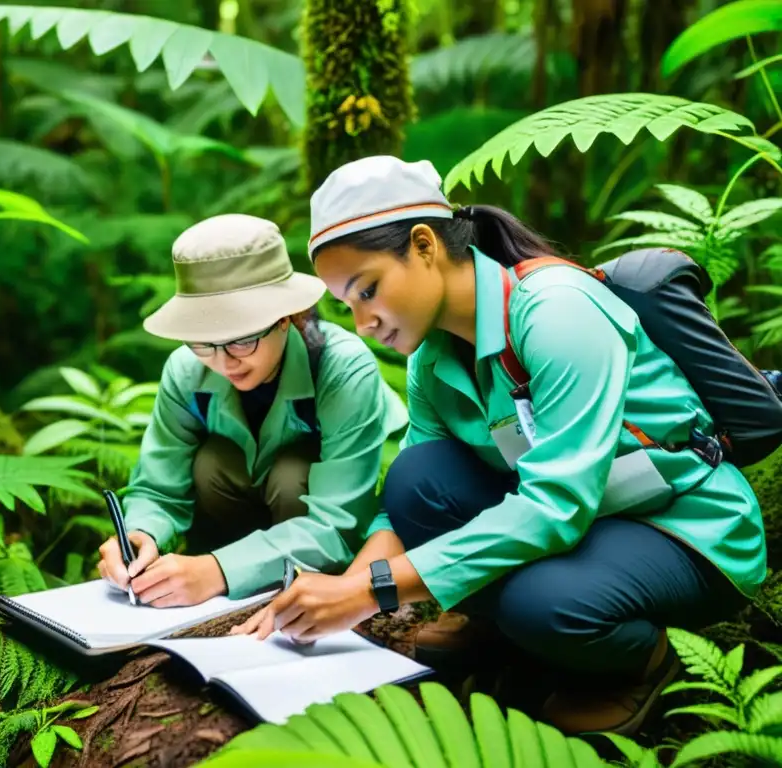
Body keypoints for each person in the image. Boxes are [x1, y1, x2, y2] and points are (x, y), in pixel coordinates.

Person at [231, 155, 767, 737]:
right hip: (589, 520)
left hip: (682, 526)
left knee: (543, 602)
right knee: (417, 479)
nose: (364, 322)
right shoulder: (431, 357)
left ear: (425, 244)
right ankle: (501, 628)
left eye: (369, 290)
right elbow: (409, 503)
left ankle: (640, 663)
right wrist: (345, 592)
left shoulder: (557, 311)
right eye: (347, 305)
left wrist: (371, 590)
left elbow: (554, 507)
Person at [98, 213, 407, 610]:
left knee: (292, 474)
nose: (225, 362)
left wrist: (218, 570)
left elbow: (339, 522)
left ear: (287, 319)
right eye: (203, 343)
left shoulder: (342, 368)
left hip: (325, 529)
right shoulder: (186, 369)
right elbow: (159, 488)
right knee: (211, 463)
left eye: (242, 341)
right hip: (231, 523)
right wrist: (144, 533)